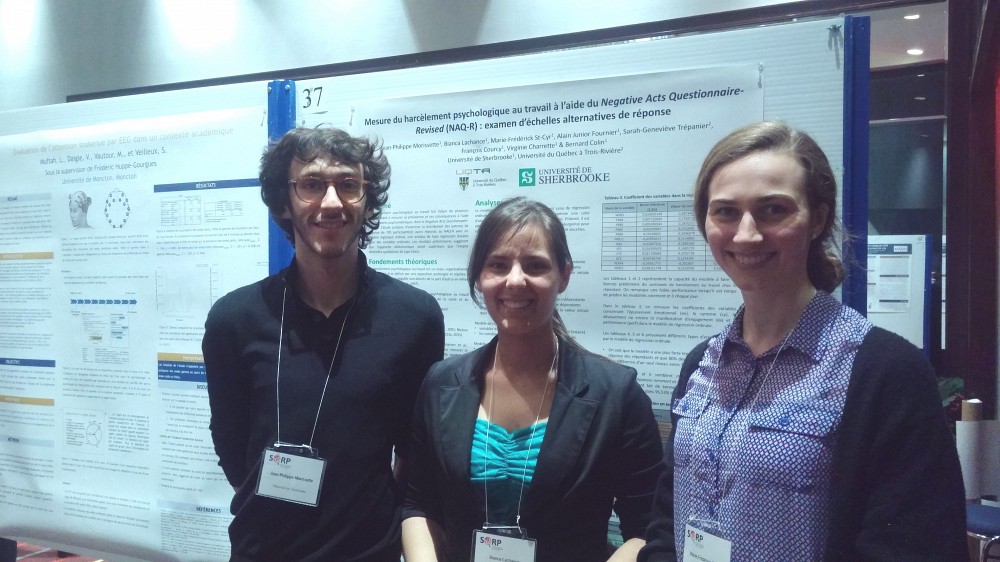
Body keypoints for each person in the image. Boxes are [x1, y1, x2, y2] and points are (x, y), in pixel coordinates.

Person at [639, 122, 967, 561]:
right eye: (725, 211)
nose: (746, 234)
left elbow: (915, 548)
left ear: (819, 218)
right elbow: (667, 521)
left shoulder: (885, 371)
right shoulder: (704, 363)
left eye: (773, 210)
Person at [202, 126, 445, 561]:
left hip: (370, 553)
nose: (331, 203)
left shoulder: (415, 317)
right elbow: (232, 448)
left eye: (348, 185)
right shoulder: (233, 320)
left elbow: (412, 454)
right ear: (284, 201)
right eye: (312, 184)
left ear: (367, 199)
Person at [402, 197, 664, 562]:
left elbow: (649, 527)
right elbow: (418, 502)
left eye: (535, 265)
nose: (514, 280)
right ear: (480, 276)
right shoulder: (442, 383)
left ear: (564, 275)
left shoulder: (616, 395)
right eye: (498, 264)